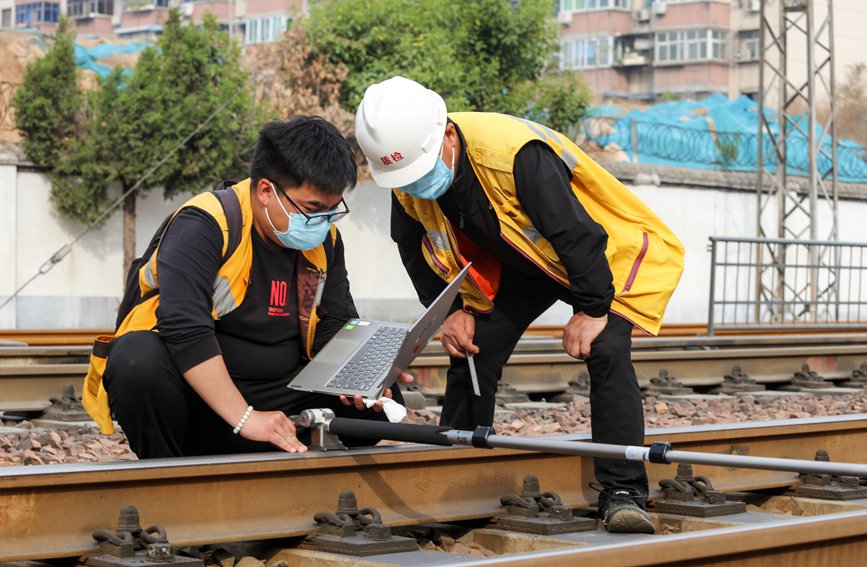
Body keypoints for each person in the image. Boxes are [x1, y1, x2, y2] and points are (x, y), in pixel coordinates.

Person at [354, 77, 684, 534]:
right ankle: (458, 477)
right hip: (523, 263)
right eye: (406, 178)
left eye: (423, 169)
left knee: (605, 347)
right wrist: (448, 311)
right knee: (473, 349)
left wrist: (590, 309)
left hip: (598, 257)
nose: (416, 184)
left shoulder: (515, 154)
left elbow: (576, 233)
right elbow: (411, 246)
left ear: (448, 133)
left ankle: (623, 490)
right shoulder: (409, 167)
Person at [82, 116, 407, 459]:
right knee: (136, 362)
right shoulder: (207, 223)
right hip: (200, 398)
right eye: (313, 210)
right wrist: (244, 417)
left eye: (331, 211)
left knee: (379, 403)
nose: (322, 222)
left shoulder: (325, 241)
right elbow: (184, 327)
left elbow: (334, 321)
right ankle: (171, 471)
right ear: (267, 191)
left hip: (278, 395)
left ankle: (284, 452)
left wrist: (361, 374)